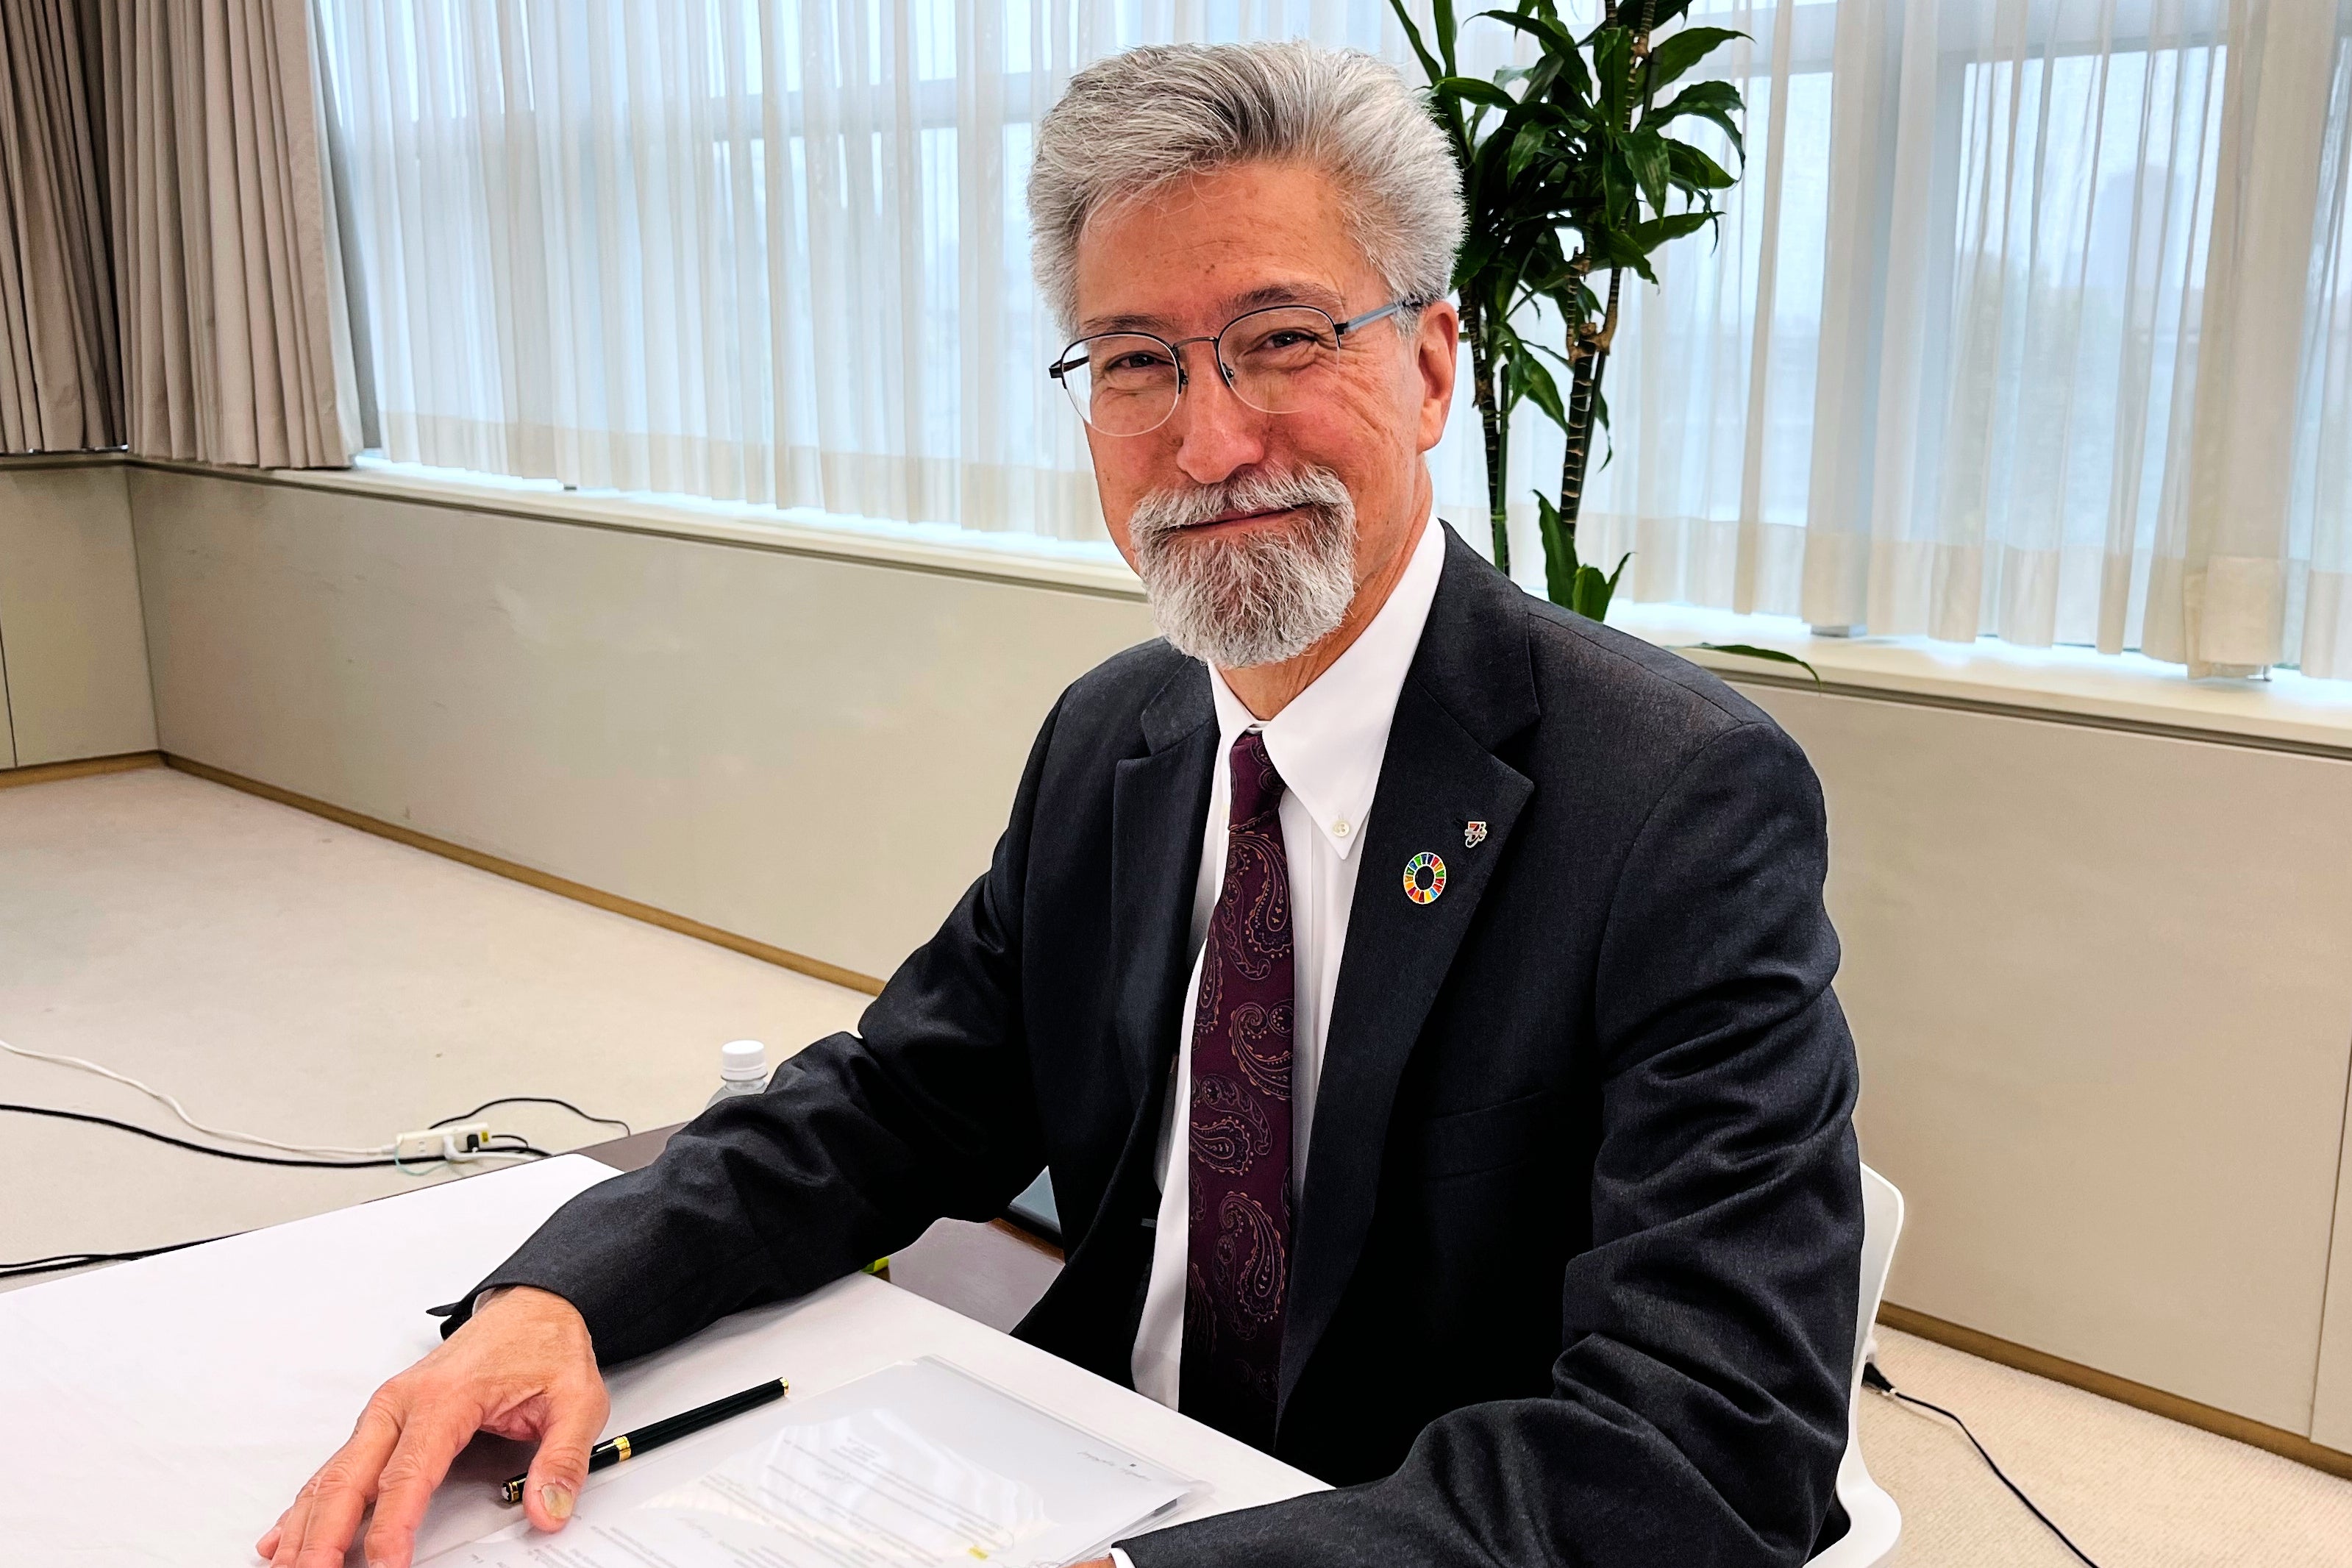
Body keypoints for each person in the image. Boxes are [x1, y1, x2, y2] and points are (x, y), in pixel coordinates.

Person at [260, 40, 1861, 1568]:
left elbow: (1713, 1446)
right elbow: (895, 1102)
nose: (1209, 440)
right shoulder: (1119, 736)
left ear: (1432, 366)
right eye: (1138, 361)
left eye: (1282, 338)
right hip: (1074, 1458)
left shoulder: (1671, 799)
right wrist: (558, 1298)